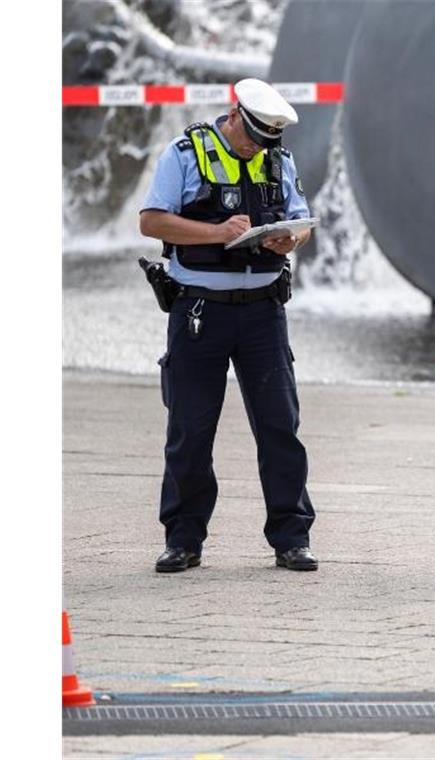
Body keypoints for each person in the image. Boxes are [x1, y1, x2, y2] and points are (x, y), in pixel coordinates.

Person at [138, 78, 318, 573]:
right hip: (199, 313)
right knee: (191, 428)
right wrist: (216, 232)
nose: (257, 148)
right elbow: (151, 221)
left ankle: (291, 537)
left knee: (281, 425)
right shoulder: (185, 152)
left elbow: (301, 220)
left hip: (263, 312)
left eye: (267, 141)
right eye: (252, 138)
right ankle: (183, 539)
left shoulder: (278, 159)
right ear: (235, 114)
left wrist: (290, 239)